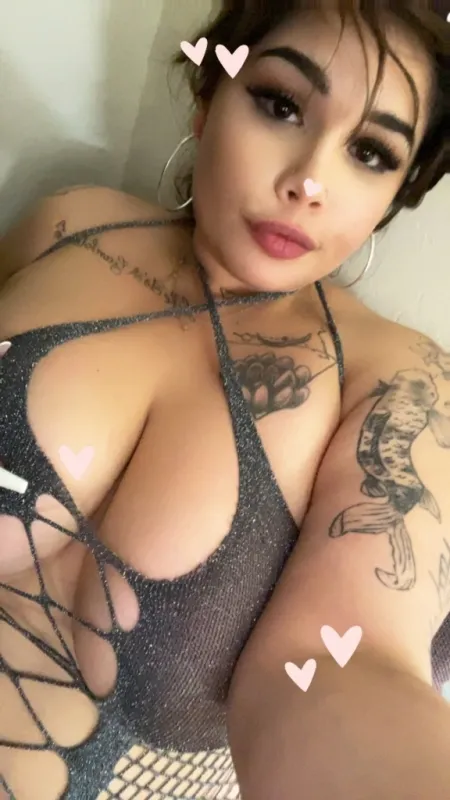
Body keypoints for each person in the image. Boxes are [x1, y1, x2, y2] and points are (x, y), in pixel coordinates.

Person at [0, 1, 449, 798]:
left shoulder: (400, 382)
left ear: (395, 194)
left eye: (370, 152)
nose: (310, 180)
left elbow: (350, 664)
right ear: (209, 100)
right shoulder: (68, 225)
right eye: (280, 104)